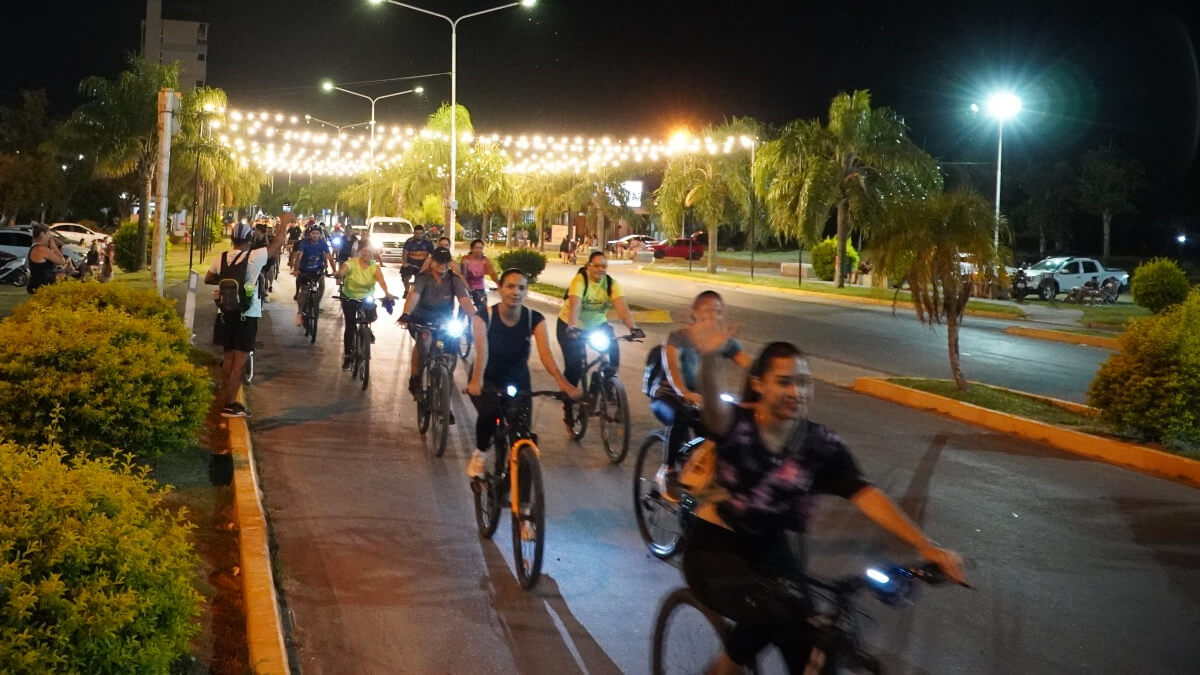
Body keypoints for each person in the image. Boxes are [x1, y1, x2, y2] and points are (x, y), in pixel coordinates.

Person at [682, 330, 968, 674]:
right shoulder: (737, 424)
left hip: (772, 552)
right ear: (758, 385)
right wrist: (711, 359)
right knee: (769, 612)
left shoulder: (820, 445)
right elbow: (712, 410)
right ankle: (723, 667)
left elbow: (865, 493)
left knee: (812, 642)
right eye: (785, 382)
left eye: (804, 382)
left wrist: (927, 547)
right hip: (716, 549)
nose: (797, 392)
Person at [463, 268, 581, 478]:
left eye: (521, 288)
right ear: (500, 289)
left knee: (524, 435)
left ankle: (524, 504)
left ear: (526, 292)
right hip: (487, 377)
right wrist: (476, 381)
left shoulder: (534, 318)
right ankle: (480, 453)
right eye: (510, 286)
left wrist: (564, 385)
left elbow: (546, 355)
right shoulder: (484, 317)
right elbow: (482, 352)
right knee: (489, 413)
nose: (516, 292)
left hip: (518, 378)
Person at [652, 290, 750, 499]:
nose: (713, 315)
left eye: (718, 311)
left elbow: (749, 367)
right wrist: (684, 392)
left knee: (724, 434)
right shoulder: (678, 337)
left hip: (703, 403)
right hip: (668, 397)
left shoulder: (724, 342)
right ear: (695, 313)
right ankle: (667, 471)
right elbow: (673, 368)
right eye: (707, 310)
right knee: (682, 414)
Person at [205, 217, 289, 417]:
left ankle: (225, 398)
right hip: (246, 315)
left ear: (232, 238)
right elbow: (277, 243)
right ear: (250, 238)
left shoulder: (222, 257)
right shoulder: (254, 257)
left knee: (228, 358)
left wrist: (226, 281)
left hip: (224, 313)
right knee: (239, 362)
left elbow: (208, 278)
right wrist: (284, 223)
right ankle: (230, 404)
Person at [556, 251, 643, 425]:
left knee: (613, 357)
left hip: (597, 326)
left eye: (603, 266)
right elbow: (576, 304)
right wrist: (572, 327)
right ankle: (568, 406)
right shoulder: (580, 280)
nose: (600, 269)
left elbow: (622, 309)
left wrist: (633, 328)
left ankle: (604, 384)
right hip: (571, 326)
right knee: (574, 367)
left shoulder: (610, 283)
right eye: (596, 265)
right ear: (588, 266)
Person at [399, 246, 474, 398]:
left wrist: (477, 317)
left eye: (446, 262)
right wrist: (406, 314)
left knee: (451, 356)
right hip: (421, 320)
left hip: (444, 322)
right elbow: (413, 297)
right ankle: (417, 379)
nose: (443, 266)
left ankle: (445, 400)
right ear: (432, 262)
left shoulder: (454, 279)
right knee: (424, 345)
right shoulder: (423, 278)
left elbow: (464, 300)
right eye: (439, 262)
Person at [335, 240, 396, 370]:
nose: (367, 255)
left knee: (370, 315)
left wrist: (387, 293)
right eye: (364, 252)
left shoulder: (375, 267)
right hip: (349, 297)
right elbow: (342, 271)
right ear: (359, 252)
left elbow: (381, 281)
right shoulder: (351, 263)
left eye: (370, 252)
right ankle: (347, 357)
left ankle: (367, 333)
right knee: (350, 326)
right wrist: (339, 275)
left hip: (366, 297)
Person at [290, 225, 337, 326]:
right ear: (309, 234)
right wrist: (296, 269)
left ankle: (316, 305)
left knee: (322, 286)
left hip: (317, 270)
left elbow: (329, 258)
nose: (315, 235)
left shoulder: (323, 244)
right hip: (305, 270)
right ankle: (299, 313)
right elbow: (298, 257)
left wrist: (334, 270)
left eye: (317, 233)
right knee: (304, 290)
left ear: (320, 235)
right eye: (313, 233)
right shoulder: (304, 243)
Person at [459, 238, 499, 313]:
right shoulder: (465, 259)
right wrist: (466, 287)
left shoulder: (485, 261)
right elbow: (463, 275)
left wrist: (499, 285)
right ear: (472, 249)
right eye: (476, 248)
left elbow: (492, 273)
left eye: (481, 248)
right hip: (467, 288)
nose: (478, 250)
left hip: (480, 290)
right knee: (462, 309)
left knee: (483, 310)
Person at [27, 223, 68, 294]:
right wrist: (54, 247)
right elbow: (62, 261)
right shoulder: (40, 249)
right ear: (42, 234)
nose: (50, 237)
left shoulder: (36, 247)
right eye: (48, 235)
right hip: (41, 285)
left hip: (39, 283)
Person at [400, 225, 434, 298]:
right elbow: (405, 253)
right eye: (417, 233)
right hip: (411, 264)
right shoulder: (409, 242)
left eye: (420, 233)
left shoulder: (428, 242)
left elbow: (433, 254)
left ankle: (420, 292)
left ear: (423, 233)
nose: (419, 235)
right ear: (414, 233)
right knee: (405, 277)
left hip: (423, 265)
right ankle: (406, 290)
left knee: (422, 279)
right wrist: (404, 263)